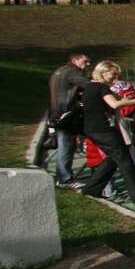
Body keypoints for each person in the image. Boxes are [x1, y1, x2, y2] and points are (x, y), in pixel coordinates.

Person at [79, 61, 135, 203]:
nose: (115, 78)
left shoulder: (89, 87)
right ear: (103, 73)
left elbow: (119, 100)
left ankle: (91, 188)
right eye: (113, 74)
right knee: (125, 161)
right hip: (103, 129)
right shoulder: (102, 88)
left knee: (112, 159)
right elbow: (115, 104)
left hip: (92, 129)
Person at [48, 53, 91, 187]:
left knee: (66, 146)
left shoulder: (61, 71)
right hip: (66, 115)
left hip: (57, 113)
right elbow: (89, 85)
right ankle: (65, 179)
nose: (88, 64)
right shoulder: (72, 72)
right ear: (74, 60)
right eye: (85, 61)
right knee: (66, 147)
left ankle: (64, 176)